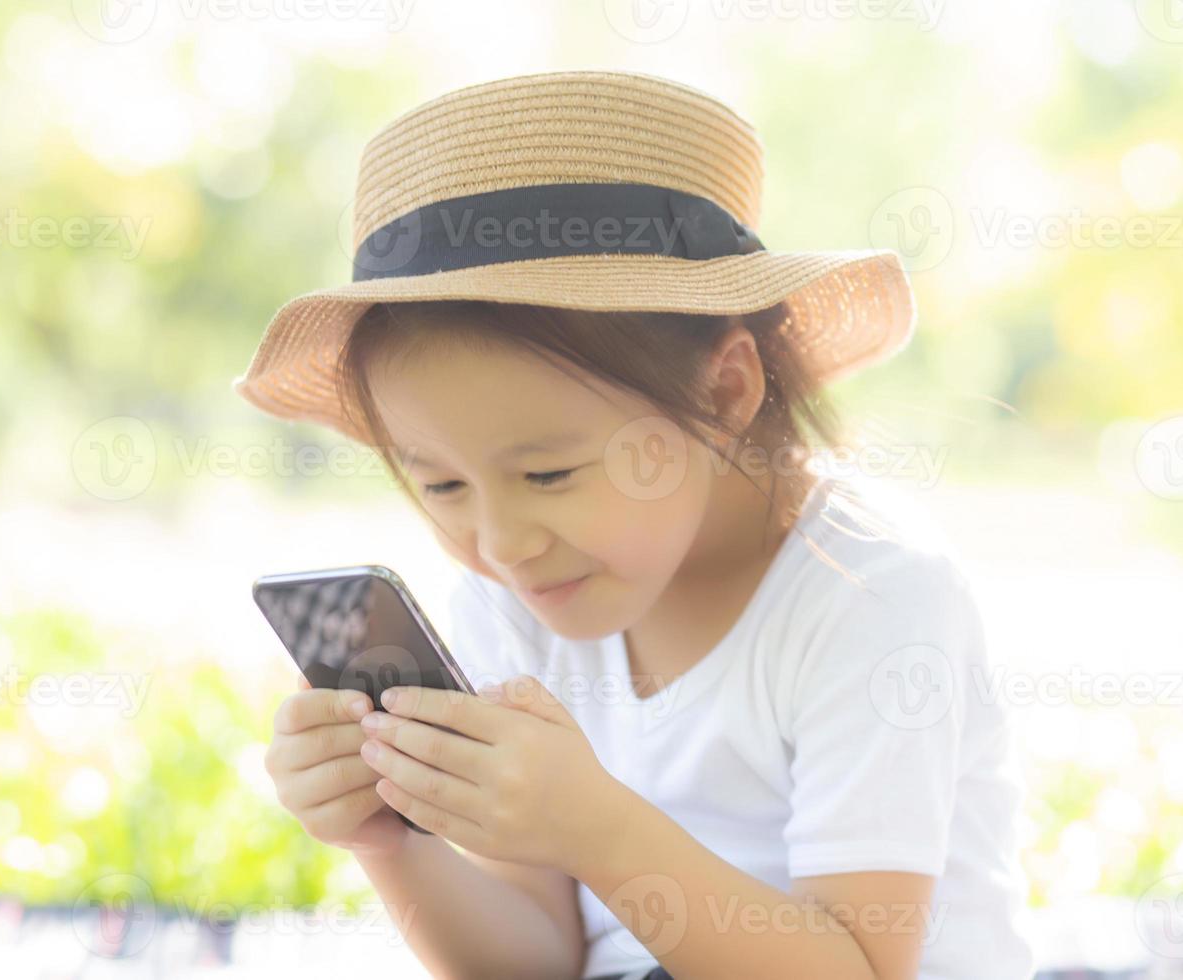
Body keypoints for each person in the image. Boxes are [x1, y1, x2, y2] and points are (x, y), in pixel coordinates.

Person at [243, 69, 1034, 980]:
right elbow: (534, 958)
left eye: (548, 471)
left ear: (726, 391)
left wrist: (595, 826)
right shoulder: (513, 601)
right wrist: (390, 840)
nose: (502, 544)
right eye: (443, 486)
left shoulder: (873, 594)